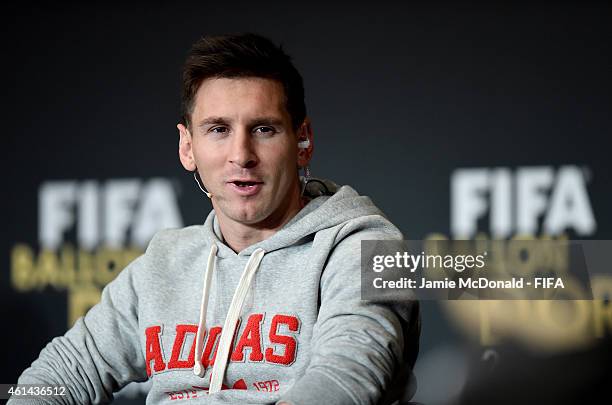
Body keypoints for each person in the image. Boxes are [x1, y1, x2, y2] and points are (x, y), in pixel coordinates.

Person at [11, 33, 419, 405]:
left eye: (263, 128)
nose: (241, 155)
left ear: (303, 141)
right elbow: (61, 372)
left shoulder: (368, 247)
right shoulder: (164, 262)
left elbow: (345, 381)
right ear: (187, 147)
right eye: (218, 129)